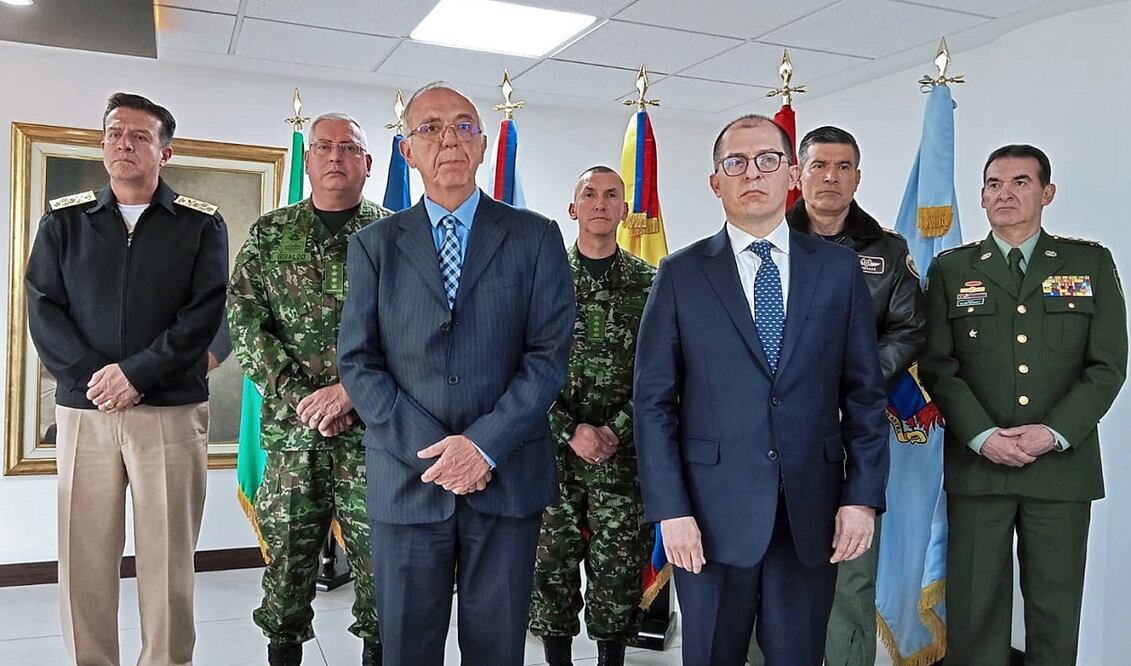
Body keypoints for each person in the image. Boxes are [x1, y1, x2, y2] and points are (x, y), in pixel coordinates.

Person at [633, 114, 889, 666]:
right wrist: (670, 510)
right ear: (715, 182)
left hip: (811, 511)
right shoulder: (679, 275)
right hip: (707, 519)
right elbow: (653, 405)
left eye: (768, 160)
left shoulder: (839, 270)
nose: (753, 173)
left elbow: (864, 395)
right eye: (736, 162)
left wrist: (862, 498)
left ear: (791, 174)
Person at [337, 82, 575, 666]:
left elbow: (547, 357)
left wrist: (483, 447)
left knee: (497, 648)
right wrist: (442, 455)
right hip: (407, 480)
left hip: (507, 477)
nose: (450, 139)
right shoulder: (373, 246)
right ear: (406, 151)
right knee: (408, 647)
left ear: (484, 144)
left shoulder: (536, 237)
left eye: (464, 126)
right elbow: (359, 363)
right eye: (431, 128)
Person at [25, 92, 228, 666]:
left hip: (167, 411)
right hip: (86, 411)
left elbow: (205, 313)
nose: (124, 144)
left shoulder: (199, 224)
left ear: (165, 151)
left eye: (139, 136)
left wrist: (136, 374)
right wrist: (99, 378)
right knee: (83, 552)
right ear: (102, 143)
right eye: (115, 133)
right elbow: (43, 307)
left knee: (167, 559)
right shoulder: (64, 221)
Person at [920, 144, 1127, 665]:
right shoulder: (952, 269)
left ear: (1046, 193)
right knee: (974, 610)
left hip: (1060, 467)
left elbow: (1107, 365)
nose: (1004, 194)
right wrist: (983, 436)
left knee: (1055, 609)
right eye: (992, 184)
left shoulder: (1089, 263)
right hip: (978, 467)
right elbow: (938, 365)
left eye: (1019, 182)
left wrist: (1051, 433)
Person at [749, 125, 926, 666]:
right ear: (797, 173)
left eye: (844, 167)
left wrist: (856, 378)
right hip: (772, 435)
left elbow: (910, 329)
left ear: (857, 177)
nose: (831, 177)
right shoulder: (763, 240)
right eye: (819, 165)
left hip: (852, 430)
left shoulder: (887, 251)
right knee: (769, 567)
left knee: (850, 573)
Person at [227, 112, 389, 666]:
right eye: (323, 146)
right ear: (308, 159)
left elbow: (417, 330)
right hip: (293, 435)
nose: (336, 156)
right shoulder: (271, 234)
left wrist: (350, 392)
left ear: (368, 163)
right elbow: (245, 322)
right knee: (288, 572)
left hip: (374, 436)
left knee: (382, 569)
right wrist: (301, 395)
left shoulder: (396, 235)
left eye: (349, 147)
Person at [529, 166, 656, 666]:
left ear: (625, 211)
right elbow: (522, 366)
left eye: (612, 195)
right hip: (552, 453)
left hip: (623, 457)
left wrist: (614, 429)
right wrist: (570, 428)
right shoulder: (542, 280)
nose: (600, 203)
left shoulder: (651, 283)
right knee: (551, 569)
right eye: (589, 194)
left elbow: (663, 371)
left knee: (619, 571)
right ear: (573, 209)